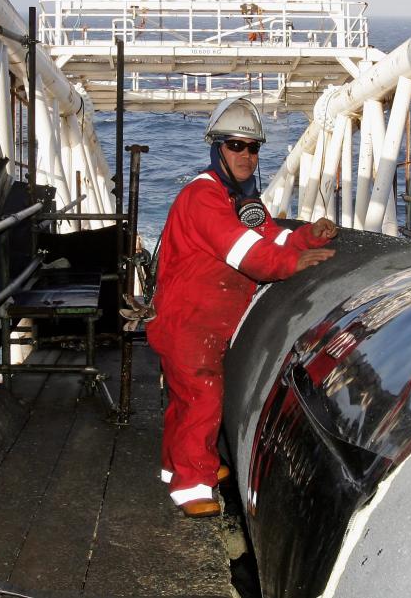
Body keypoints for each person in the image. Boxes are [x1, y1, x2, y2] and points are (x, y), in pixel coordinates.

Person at [147, 96, 337, 518]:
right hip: (189, 323)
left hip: (208, 322)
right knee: (202, 398)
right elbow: (247, 253)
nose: (247, 156)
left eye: (253, 148)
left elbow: (269, 237)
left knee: (185, 400)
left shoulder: (240, 199)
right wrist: (291, 264)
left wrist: (308, 237)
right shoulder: (203, 197)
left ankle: (177, 466)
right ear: (217, 148)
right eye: (236, 146)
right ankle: (191, 486)